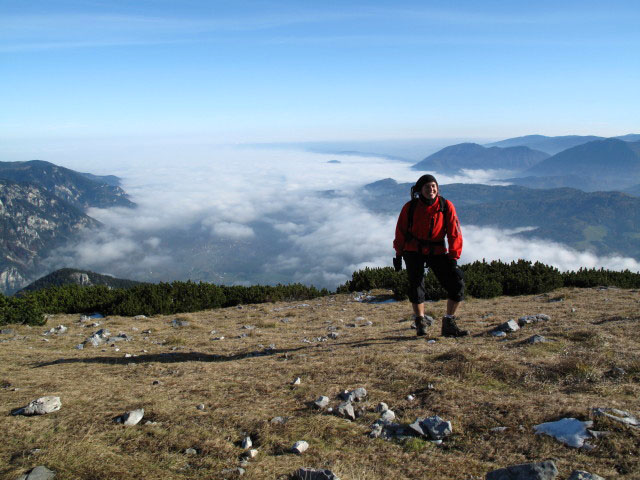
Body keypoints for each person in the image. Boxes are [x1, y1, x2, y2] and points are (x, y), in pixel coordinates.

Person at [393, 174, 469, 337]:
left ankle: (449, 322)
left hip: (437, 251)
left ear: (438, 188)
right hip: (413, 250)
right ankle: (420, 321)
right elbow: (400, 231)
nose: (431, 189)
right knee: (416, 285)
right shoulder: (410, 207)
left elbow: (454, 233)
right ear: (420, 190)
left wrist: (454, 257)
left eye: (433, 186)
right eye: (427, 187)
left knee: (456, 284)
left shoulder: (445, 206)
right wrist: (398, 254)